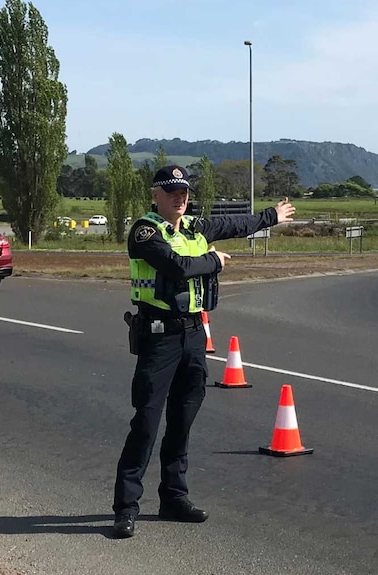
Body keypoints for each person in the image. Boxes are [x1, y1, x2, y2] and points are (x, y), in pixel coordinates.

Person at [111, 165, 296, 539]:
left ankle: (174, 498)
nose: (180, 197)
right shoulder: (145, 231)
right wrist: (214, 261)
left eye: (184, 192)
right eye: (172, 191)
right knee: (146, 423)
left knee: (182, 421)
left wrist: (270, 217)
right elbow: (177, 267)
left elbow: (234, 226)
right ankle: (125, 508)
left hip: (194, 336)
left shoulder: (195, 228)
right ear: (155, 196)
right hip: (158, 337)